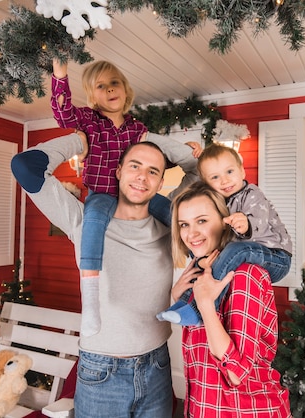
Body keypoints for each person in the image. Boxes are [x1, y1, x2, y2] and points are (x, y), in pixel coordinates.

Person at [11, 134, 189, 417]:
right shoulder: (82, 219)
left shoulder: (172, 223)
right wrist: (78, 140)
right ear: (117, 171)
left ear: (160, 182)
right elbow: (25, 165)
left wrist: (148, 139)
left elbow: (198, 169)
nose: (142, 177)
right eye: (134, 166)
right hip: (102, 372)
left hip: (157, 367)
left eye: (153, 171)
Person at [51, 58, 201, 336]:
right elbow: (63, 115)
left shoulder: (136, 129)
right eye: (101, 86)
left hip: (135, 193)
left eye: (114, 83)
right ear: (93, 95)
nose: (109, 90)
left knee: (174, 213)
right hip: (102, 193)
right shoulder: (89, 120)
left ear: (125, 89)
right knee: (92, 221)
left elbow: (152, 160)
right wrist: (60, 75)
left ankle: (202, 264)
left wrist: (186, 150)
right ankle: (91, 299)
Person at [169, 181, 291, 417]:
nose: (191, 233)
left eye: (202, 221)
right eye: (184, 224)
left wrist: (204, 306)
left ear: (225, 223)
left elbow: (237, 373)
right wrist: (179, 297)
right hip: (203, 407)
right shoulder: (201, 275)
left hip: (246, 410)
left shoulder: (246, 274)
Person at [157, 143, 292, 326]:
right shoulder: (217, 202)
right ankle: (185, 303)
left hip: (275, 256)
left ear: (242, 172)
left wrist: (246, 224)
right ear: (206, 183)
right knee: (218, 259)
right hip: (243, 253)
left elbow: (258, 224)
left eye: (229, 172)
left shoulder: (252, 194)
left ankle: (200, 308)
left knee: (237, 249)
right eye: (215, 177)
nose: (224, 180)